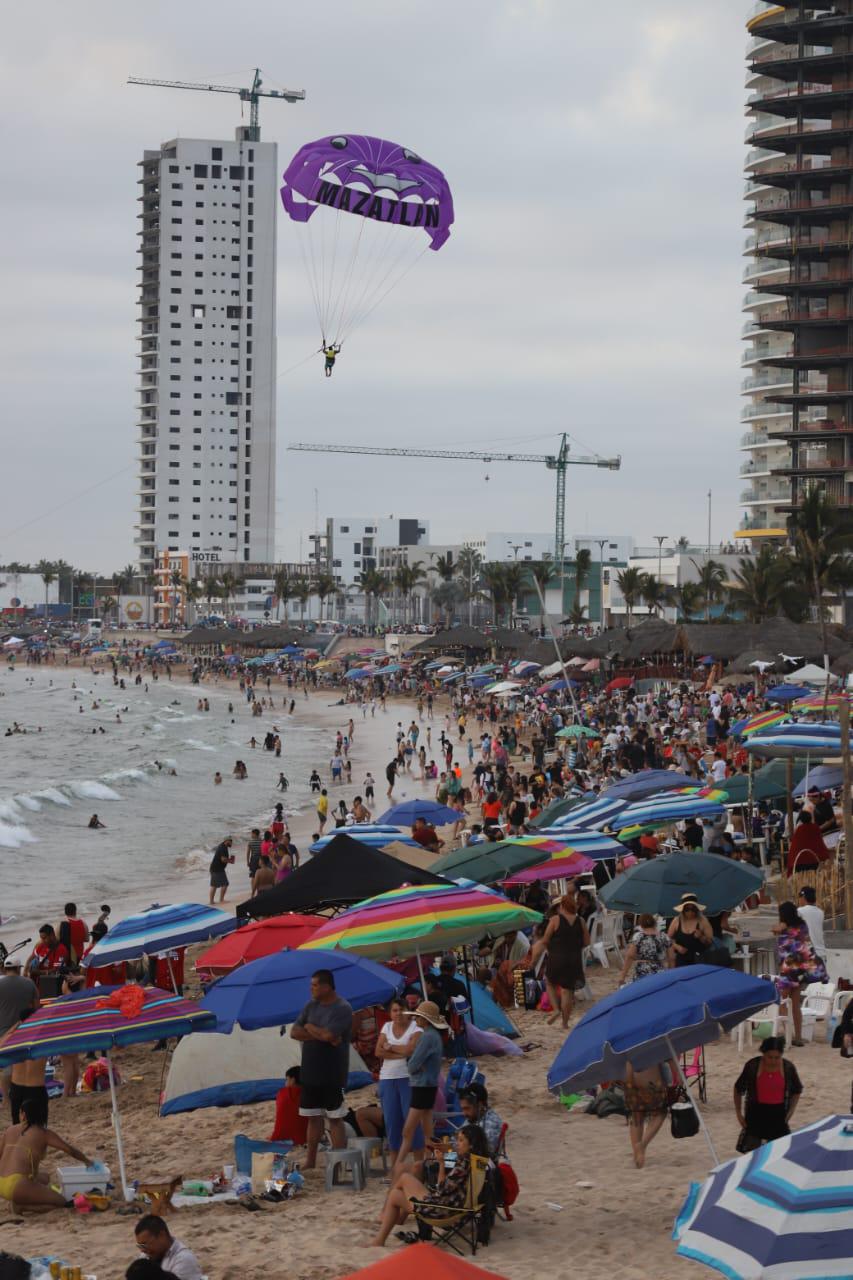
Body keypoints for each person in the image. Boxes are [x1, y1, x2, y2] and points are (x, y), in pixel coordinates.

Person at [370, 1124, 489, 1248]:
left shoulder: (462, 1166)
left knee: (403, 1179)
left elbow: (441, 1188)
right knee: (396, 1193)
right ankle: (385, 1232)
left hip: (441, 1211)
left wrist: (441, 1164)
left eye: (461, 1140)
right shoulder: (477, 1162)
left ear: (471, 1144)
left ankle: (388, 1224)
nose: (456, 1144)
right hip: (455, 1208)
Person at [289, 969, 354, 1169]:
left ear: (326, 987)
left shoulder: (342, 1008)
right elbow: (294, 1032)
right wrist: (317, 1032)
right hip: (310, 1070)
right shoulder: (311, 1006)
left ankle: (340, 1161)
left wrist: (311, 1028)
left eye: (315, 985)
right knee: (313, 1117)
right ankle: (310, 1160)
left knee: (335, 1118)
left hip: (332, 1071)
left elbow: (329, 1035)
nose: (311, 989)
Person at [0, 1093, 92, 1212]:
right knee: (61, 1202)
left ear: (23, 1115)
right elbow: (70, 1150)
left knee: (45, 1178)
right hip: (16, 1186)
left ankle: (23, 1196)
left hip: (1, 1182)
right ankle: (21, 1206)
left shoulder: (10, 1130)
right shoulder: (44, 1134)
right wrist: (88, 1162)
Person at [393, 1000, 447, 1176]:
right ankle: (428, 1166)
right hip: (428, 1086)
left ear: (425, 1019)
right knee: (427, 1132)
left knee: (408, 1131)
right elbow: (416, 1063)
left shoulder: (427, 1037)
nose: (416, 1018)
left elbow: (411, 1064)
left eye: (418, 1016)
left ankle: (397, 1168)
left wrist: (413, 1062)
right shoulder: (434, 1036)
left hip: (421, 1086)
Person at [376, 996, 424, 1166]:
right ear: (390, 1013)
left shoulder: (415, 1027)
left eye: (401, 1010)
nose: (398, 1014)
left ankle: (419, 1163)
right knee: (392, 1121)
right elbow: (378, 1052)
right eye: (394, 1010)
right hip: (387, 1078)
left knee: (412, 1122)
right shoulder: (387, 1026)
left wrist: (390, 1047)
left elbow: (411, 1050)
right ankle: (395, 1166)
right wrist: (400, 1052)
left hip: (408, 1078)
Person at [773, 900, 829, 1045]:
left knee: (782, 1002)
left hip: (788, 968)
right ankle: (797, 1037)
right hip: (799, 968)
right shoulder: (802, 926)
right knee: (796, 1005)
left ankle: (787, 1035)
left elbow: (775, 931)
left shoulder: (783, 927)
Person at [733, 1036, 802, 1152]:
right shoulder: (752, 1066)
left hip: (778, 1114)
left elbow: (797, 1090)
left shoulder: (788, 1067)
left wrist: (791, 1111)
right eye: (770, 1057)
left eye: (777, 1057)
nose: (773, 1061)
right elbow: (738, 1089)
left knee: (778, 1153)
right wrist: (738, 1113)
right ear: (763, 1053)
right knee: (751, 1153)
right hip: (755, 1112)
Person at [543, 893, 590, 1029]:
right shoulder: (580, 920)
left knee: (550, 983)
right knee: (567, 991)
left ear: (562, 906)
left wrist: (551, 948)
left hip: (557, 958)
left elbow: (545, 939)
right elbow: (587, 942)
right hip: (574, 960)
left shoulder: (555, 920)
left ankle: (556, 1010)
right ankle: (565, 1023)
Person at [0, 965, 37, 1115]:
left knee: (6, 1066)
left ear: (5, 968)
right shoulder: (29, 983)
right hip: (25, 1026)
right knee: (23, 1063)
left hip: (4, 1028)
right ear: (18, 968)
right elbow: (36, 1004)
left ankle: (6, 1100)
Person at [624, 1059, 671, 1168]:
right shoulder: (647, 1041)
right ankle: (642, 1145)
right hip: (650, 1078)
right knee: (660, 1113)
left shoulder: (624, 1043)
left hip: (630, 1077)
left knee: (636, 1116)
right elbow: (669, 1056)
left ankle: (637, 1157)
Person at [134, 1214, 203, 1279]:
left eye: (145, 1244)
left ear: (161, 1235)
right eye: (140, 1246)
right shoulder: (146, 1255)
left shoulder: (183, 1259)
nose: (142, 1250)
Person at [619, 914, 673, 983]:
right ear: (654, 923)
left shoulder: (638, 936)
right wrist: (670, 975)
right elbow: (672, 958)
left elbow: (630, 956)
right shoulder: (664, 936)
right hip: (659, 971)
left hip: (642, 972)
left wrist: (622, 977)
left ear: (641, 925)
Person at [667, 894, 713, 967]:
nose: (690, 912)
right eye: (687, 909)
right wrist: (677, 946)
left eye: (693, 909)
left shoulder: (703, 921)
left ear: (697, 909)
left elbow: (710, 942)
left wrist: (701, 937)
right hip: (681, 960)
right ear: (683, 910)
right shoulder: (677, 921)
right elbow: (667, 939)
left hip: (699, 959)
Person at [459, 1082, 503, 1156]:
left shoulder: (492, 1123)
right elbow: (456, 1138)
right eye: (463, 1109)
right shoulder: (474, 1117)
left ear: (480, 1105)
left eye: (467, 1108)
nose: (464, 1113)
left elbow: (484, 1150)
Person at [270, 1066, 309, 1146]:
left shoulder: (281, 1093)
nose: (285, 1083)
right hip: (304, 1139)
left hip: (279, 1139)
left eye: (286, 1079)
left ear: (293, 1080)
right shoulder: (308, 1094)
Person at [786, 810, 831, 875]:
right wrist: (825, 856)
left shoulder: (799, 829)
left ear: (801, 820)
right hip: (814, 861)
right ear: (811, 818)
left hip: (799, 862)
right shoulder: (815, 827)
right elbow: (820, 844)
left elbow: (794, 848)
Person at [797, 885, 827, 961]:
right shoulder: (820, 912)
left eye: (800, 897)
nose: (799, 900)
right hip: (821, 954)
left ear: (803, 897)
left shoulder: (800, 911)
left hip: (808, 955)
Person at [208, 836, 233, 905]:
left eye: (232, 841)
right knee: (225, 884)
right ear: (226, 841)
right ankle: (221, 900)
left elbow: (223, 858)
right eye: (230, 841)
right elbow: (223, 859)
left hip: (214, 868)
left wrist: (229, 860)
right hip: (217, 869)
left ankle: (211, 901)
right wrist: (230, 861)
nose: (231, 843)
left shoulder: (223, 846)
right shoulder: (223, 847)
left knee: (214, 885)